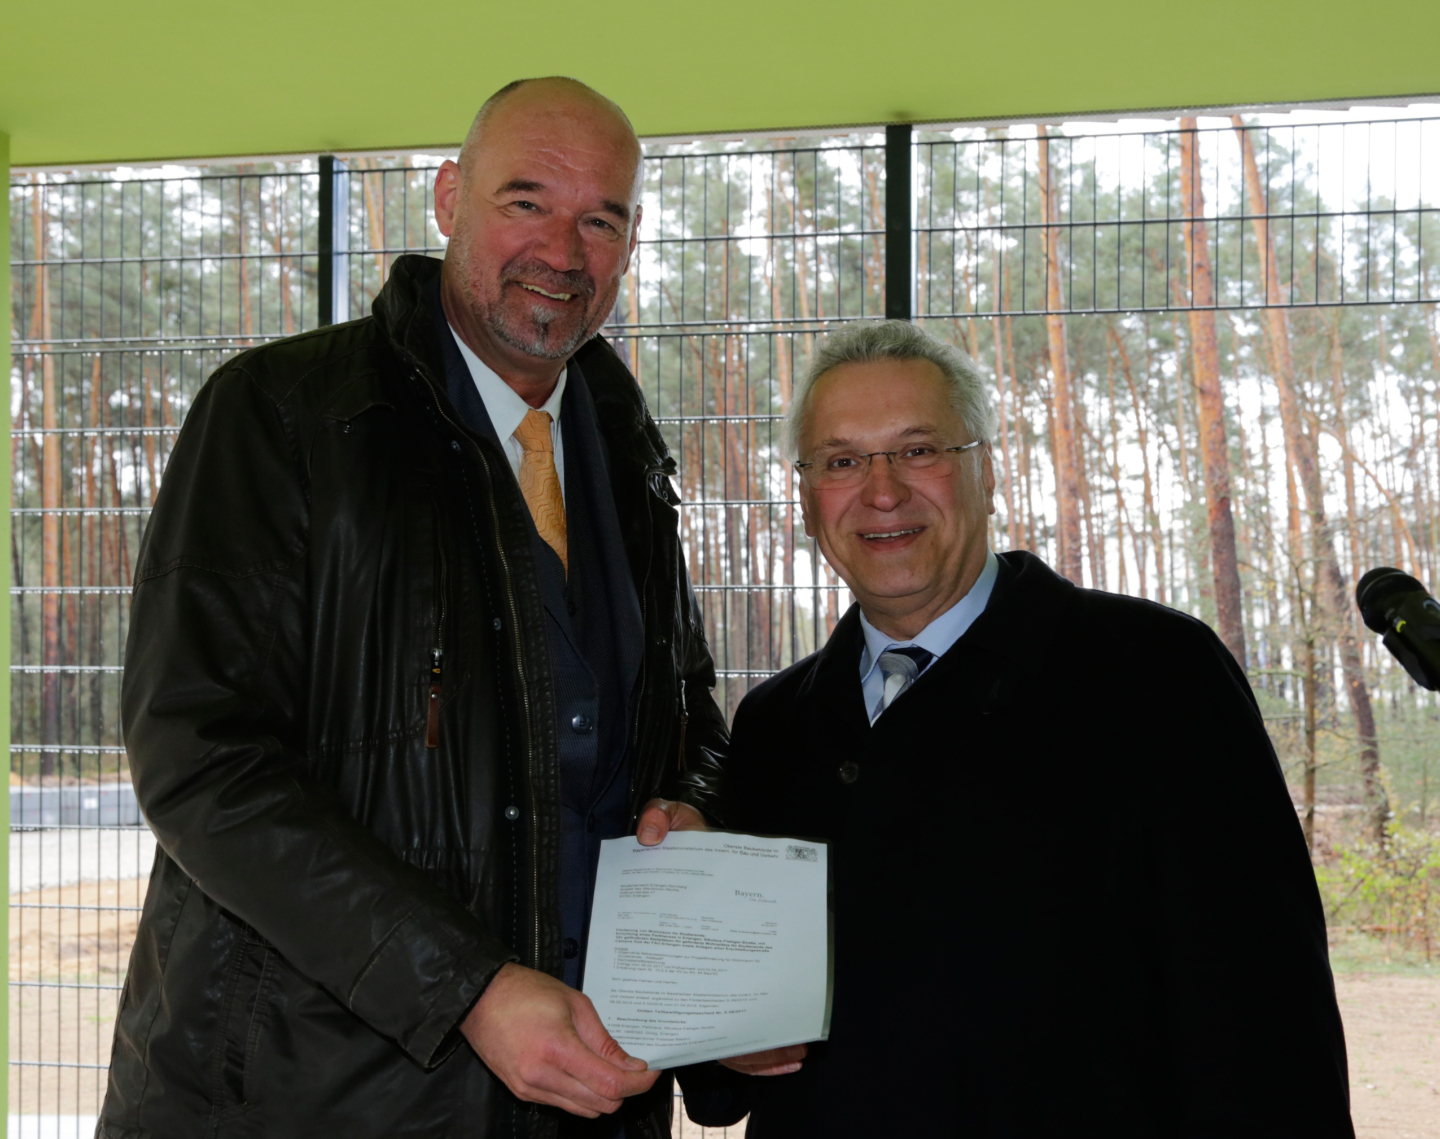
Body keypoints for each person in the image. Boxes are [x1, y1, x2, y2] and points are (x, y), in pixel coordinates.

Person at [102, 77, 729, 1139]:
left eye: (600, 218)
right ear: (447, 198)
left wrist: (692, 796)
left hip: (588, 1095)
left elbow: (686, 713)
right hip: (310, 1102)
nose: (563, 251)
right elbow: (200, 759)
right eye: (525, 200)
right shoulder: (284, 415)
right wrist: (468, 986)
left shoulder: (626, 451)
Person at [679, 321, 1354, 1136]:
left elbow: (1266, 1017)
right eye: (843, 460)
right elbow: (726, 1075)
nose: (882, 490)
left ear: (989, 471)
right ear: (806, 496)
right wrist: (720, 1032)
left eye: (919, 449)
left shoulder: (1156, 673)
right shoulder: (776, 723)